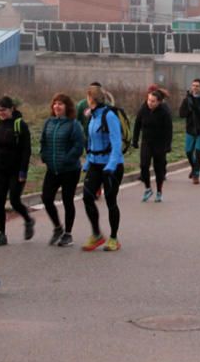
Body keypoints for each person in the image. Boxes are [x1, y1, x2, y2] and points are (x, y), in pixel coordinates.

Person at [0, 96, 35, 247]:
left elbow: (26, 150)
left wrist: (23, 172)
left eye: (4, 110)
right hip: (0, 170)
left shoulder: (20, 125)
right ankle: (1, 234)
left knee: (14, 200)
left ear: (12, 109)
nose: (1, 113)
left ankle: (28, 220)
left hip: (16, 170)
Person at [82, 85, 124, 251]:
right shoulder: (93, 116)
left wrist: (111, 165)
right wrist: (87, 162)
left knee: (110, 201)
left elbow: (116, 143)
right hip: (95, 164)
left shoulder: (110, 116)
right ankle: (97, 235)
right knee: (87, 197)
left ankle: (114, 238)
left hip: (111, 166)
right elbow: (91, 141)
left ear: (91, 98)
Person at [41, 93, 85, 247]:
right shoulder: (49, 123)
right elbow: (43, 142)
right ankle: (58, 227)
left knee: (67, 200)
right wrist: (44, 156)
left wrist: (66, 159)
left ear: (67, 107)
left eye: (60, 104)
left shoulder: (74, 125)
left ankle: (68, 234)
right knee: (46, 198)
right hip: (52, 169)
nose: (57, 107)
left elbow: (78, 146)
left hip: (70, 170)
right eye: (55, 104)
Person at [132, 89, 172, 201]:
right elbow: (137, 124)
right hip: (146, 142)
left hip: (160, 143)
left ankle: (159, 191)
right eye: (149, 100)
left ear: (159, 102)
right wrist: (135, 140)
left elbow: (169, 129)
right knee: (144, 165)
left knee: (158, 168)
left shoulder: (164, 111)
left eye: (153, 101)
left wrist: (168, 145)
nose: (150, 103)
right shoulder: (143, 109)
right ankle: (148, 188)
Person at [179, 78, 200, 184]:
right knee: (188, 152)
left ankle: (196, 175)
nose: (195, 88)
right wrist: (189, 110)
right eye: (193, 85)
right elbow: (181, 114)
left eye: (197, 86)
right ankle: (194, 168)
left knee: (198, 152)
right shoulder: (187, 100)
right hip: (190, 129)